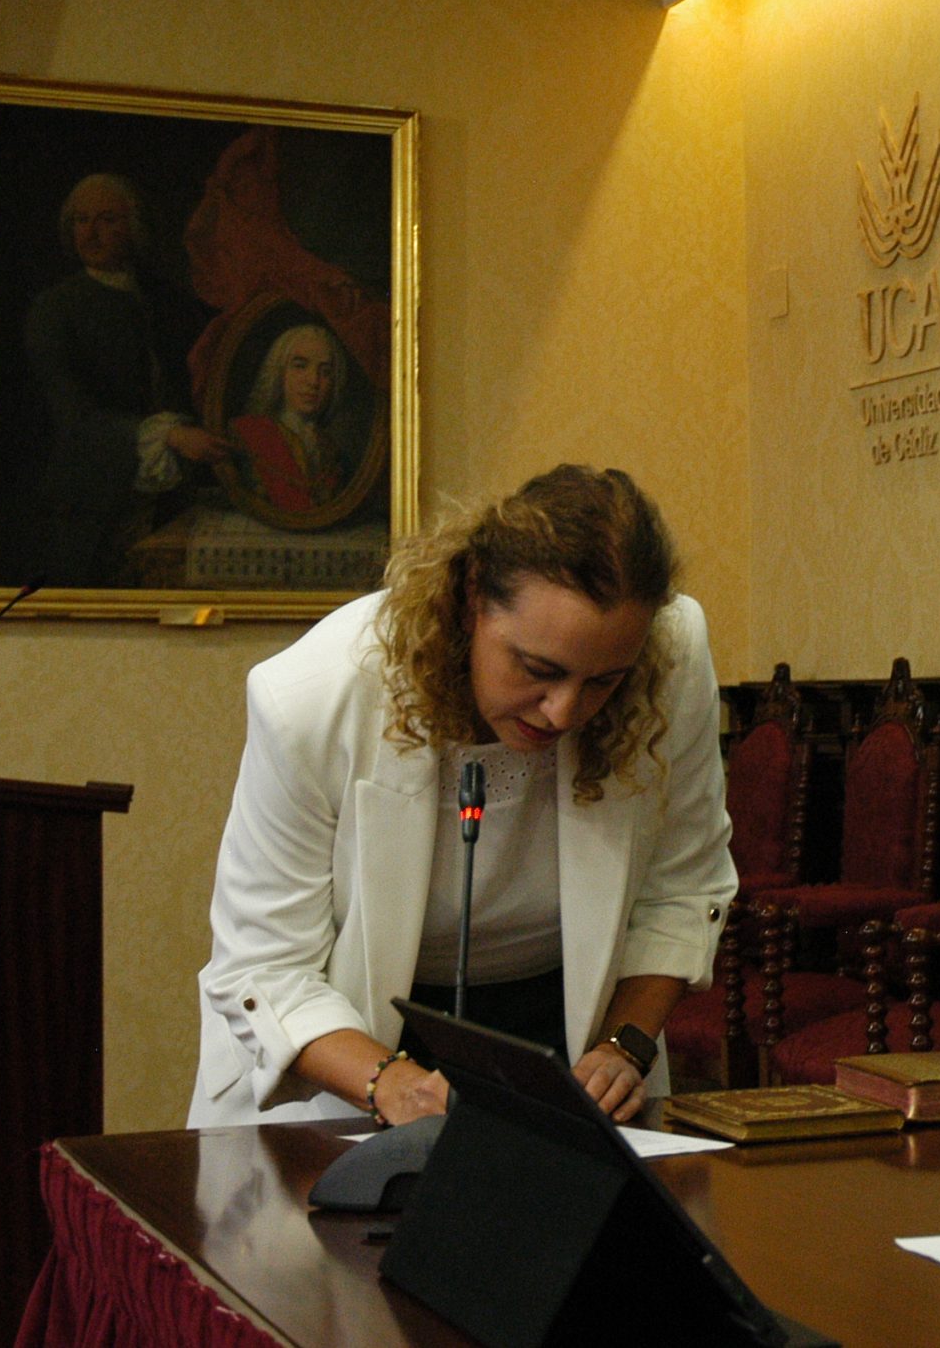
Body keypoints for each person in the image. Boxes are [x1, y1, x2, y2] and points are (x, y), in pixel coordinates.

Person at [187, 464, 739, 1129]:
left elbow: (681, 889)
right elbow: (265, 968)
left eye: (603, 683)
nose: (564, 711)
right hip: (348, 1049)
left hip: (571, 1028)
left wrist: (624, 1047)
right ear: (472, 596)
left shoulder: (667, 655)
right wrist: (393, 1086)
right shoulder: (311, 698)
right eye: (538, 670)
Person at [22, 172, 229, 584]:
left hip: (169, 496)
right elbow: (72, 416)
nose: (91, 233)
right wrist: (170, 436)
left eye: (107, 220)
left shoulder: (164, 300)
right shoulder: (55, 309)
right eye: (81, 221)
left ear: (133, 228)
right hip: (91, 500)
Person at [229, 320, 349, 513]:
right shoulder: (249, 433)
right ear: (279, 371)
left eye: (325, 372)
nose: (313, 381)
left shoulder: (329, 449)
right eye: (300, 366)